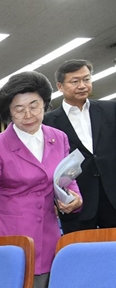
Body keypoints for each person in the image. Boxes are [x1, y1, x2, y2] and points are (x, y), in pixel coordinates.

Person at [0, 71, 82, 288]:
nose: (28, 115)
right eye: (19, 109)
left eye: (34, 106)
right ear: (9, 113)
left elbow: (68, 177)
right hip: (14, 233)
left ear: (44, 103)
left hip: (49, 232)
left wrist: (75, 198)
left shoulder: (59, 138)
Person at [43, 59, 116, 233]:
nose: (82, 85)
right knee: (79, 254)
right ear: (60, 86)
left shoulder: (111, 109)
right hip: (76, 201)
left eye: (87, 79)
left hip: (112, 196)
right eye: (75, 81)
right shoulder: (48, 122)